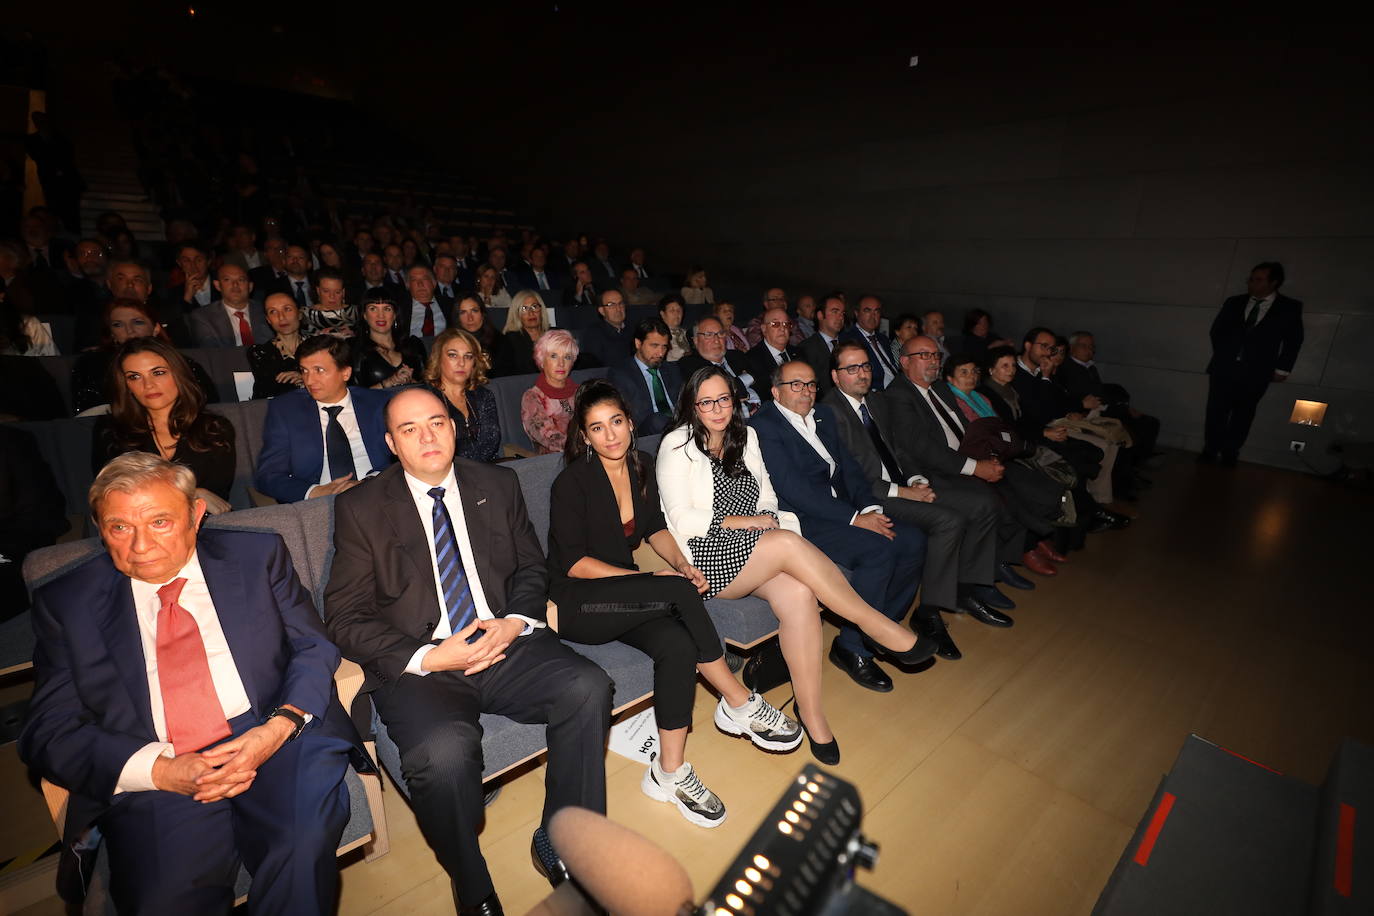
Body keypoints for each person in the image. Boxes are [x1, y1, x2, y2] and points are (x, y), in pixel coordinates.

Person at [20, 452, 368, 915]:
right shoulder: (67, 602)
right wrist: (161, 770)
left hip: (271, 730)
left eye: (160, 521)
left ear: (195, 515)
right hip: (156, 758)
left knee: (300, 848)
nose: (140, 545)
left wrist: (277, 727)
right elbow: (47, 730)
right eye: (119, 527)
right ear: (100, 528)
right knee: (165, 900)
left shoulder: (256, 557)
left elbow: (314, 647)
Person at [324, 387, 611, 914]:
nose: (427, 435)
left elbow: (530, 566)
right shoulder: (360, 507)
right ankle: (472, 881)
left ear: (455, 427)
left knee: (589, 686)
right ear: (390, 443)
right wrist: (430, 657)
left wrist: (515, 622)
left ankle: (565, 836)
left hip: (502, 640)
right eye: (409, 429)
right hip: (422, 663)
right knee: (443, 753)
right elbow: (342, 616)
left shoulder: (497, 483)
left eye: (437, 422)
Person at [656, 366, 938, 765]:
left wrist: (762, 519)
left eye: (724, 399)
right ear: (692, 405)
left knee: (802, 595)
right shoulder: (677, 444)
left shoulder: (746, 436)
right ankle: (877, 626)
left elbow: (768, 497)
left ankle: (811, 713)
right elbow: (683, 519)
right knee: (788, 542)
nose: (718, 409)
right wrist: (747, 522)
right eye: (707, 402)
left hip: (759, 544)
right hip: (709, 553)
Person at [550, 380, 800, 828]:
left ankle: (668, 772)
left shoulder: (641, 465)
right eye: (597, 429)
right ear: (584, 437)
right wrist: (651, 581)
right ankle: (738, 700)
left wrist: (684, 564)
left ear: (629, 422)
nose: (611, 436)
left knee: (679, 647)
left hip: (626, 598)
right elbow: (573, 564)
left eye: (617, 423)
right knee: (676, 592)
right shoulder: (572, 483)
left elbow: (654, 528)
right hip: (579, 604)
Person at [750, 361, 933, 694]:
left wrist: (870, 509)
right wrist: (855, 520)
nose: (806, 391)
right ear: (775, 391)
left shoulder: (824, 415)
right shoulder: (764, 426)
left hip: (843, 509)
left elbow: (850, 470)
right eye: (796, 385)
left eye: (810, 384)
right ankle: (854, 648)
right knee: (878, 551)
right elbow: (793, 490)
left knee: (912, 541)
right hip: (803, 520)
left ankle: (878, 630)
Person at [823, 341, 1017, 647]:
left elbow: (899, 448)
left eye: (865, 366)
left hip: (903, 484)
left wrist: (915, 480)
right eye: (851, 368)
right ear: (836, 376)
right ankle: (928, 612)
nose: (861, 374)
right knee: (947, 522)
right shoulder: (829, 413)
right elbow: (850, 477)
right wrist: (902, 491)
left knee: (980, 503)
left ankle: (962, 591)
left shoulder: (875, 401)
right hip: (872, 496)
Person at [883, 335, 1057, 590]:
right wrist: (976, 467)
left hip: (966, 456)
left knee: (1018, 478)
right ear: (904, 361)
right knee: (991, 499)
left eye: (935, 355)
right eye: (924, 355)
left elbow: (967, 429)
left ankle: (1009, 555)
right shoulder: (898, 394)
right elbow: (922, 449)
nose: (933, 361)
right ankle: (983, 577)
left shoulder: (940, 388)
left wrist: (987, 456)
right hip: (937, 471)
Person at [92, 337, 237, 511]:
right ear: (126, 385)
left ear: (178, 375)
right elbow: (111, 495)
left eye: (158, 372)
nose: (148, 385)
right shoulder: (111, 431)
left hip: (201, 525)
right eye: (134, 377)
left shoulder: (214, 429)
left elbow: (217, 498)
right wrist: (193, 494)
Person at [254, 335, 393, 502]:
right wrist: (315, 492)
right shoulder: (285, 410)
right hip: (319, 503)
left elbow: (404, 457)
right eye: (304, 370)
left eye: (319, 370)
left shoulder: (377, 403)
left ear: (345, 373)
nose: (309, 380)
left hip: (377, 494)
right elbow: (268, 476)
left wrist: (370, 482)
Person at [1202, 261, 1304, 465]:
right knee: (1215, 411)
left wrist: (1282, 369)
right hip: (1225, 367)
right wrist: (1226, 354)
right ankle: (1210, 450)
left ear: (1273, 283)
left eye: (1258, 280)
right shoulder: (1234, 302)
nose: (1251, 283)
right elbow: (1217, 331)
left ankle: (1231, 452)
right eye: (1251, 279)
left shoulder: (1289, 307)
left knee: (1244, 413)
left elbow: (1293, 340)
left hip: (1257, 370)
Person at [71, 298, 217, 414]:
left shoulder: (181, 362)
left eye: (137, 322)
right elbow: (88, 414)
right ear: (111, 333)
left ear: (156, 328)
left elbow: (206, 404)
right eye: (118, 325)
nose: (129, 330)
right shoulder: (90, 365)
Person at [426, 327, 500, 463]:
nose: (461, 363)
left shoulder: (483, 396)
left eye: (468, 356)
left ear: (474, 363)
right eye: (453, 355)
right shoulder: (426, 399)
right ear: (438, 358)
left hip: (487, 469)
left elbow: (491, 441)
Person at [608, 317, 683, 436]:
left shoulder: (672, 369)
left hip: (679, 427)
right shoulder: (621, 374)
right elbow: (628, 418)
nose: (660, 353)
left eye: (664, 347)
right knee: (658, 420)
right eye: (654, 346)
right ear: (638, 343)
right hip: (646, 432)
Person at [676, 316, 762, 415]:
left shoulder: (737, 356)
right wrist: (746, 379)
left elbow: (760, 379)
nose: (716, 340)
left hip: (761, 413)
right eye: (709, 335)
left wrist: (737, 385)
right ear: (696, 341)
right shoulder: (688, 364)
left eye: (720, 334)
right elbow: (720, 390)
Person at [521, 329, 579, 455]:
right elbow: (550, 438)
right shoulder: (532, 397)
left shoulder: (581, 392)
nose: (561, 363)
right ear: (542, 360)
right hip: (552, 463)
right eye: (554, 356)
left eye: (567, 357)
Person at [353, 293, 427, 390]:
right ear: (365, 315)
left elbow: (429, 386)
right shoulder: (354, 348)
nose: (381, 315)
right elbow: (352, 394)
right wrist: (389, 382)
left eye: (387, 309)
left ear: (395, 314)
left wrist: (410, 382)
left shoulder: (414, 345)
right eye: (373, 309)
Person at [188, 263, 271, 348]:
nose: (235, 285)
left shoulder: (266, 309)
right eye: (227, 280)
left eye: (241, 280)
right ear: (217, 285)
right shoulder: (203, 317)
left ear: (250, 286)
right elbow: (212, 354)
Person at [246, 292, 306, 399]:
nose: (281, 317)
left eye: (287, 309)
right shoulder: (260, 352)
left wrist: (306, 378)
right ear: (268, 320)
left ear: (300, 313)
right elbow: (265, 392)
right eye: (273, 312)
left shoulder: (319, 347)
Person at [840, 294, 902, 391]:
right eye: (867, 310)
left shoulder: (883, 338)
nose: (873, 316)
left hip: (897, 386)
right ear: (857, 313)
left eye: (877, 311)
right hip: (877, 392)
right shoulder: (849, 339)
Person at [743, 307, 802, 404]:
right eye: (775, 324)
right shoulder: (751, 359)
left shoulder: (799, 353)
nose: (782, 328)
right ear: (764, 329)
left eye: (786, 324)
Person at [799, 293, 848, 398]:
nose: (840, 317)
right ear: (820, 315)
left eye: (842, 313)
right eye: (835, 311)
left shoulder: (848, 344)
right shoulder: (807, 348)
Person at [455, 293, 510, 375]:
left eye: (474, 311)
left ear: (482, 314)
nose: (470, 318)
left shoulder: (500, 341)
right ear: (457, 317)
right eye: (463, 312)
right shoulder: (449, 342)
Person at [578, 289, 634, 368]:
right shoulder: (594, 333)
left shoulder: (634, 329)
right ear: (602, 311)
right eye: (611, 305)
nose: (618, 309)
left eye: (620, 303)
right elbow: (596, 367)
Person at [502, 289, 551, 376]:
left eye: (534, 307)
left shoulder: (555, 334)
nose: (531, 313)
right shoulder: (510, 340)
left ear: (541, 310)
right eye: (524, 309)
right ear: (517, 314)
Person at [304, 266, 358, 337]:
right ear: (318, 290)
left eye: (337, 292)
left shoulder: (356, 312)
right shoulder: (305, 315)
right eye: (326, 291)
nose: (332, 296)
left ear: (343, 292)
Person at [659, 293, 691, 362]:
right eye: (672, 310)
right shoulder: (658, 335)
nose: (676, 314)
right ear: (662, 314)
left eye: (679, 310)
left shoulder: (688, 333)